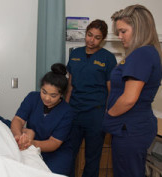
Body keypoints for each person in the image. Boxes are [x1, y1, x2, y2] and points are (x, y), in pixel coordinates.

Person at [103, 4, 162, 177]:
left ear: (139, 29)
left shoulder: (141, 54)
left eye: (123, 31)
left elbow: (129, 99)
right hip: (133, 127)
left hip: (130, 129)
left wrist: (109, 114)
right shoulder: (147, 53)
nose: (120, 37)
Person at [65, 19, 117, 177]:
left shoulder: (108, 58)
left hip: (96, 114)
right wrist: (65, 109)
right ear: (85, 33)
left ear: (103, 39)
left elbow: (111, 89)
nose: (91, 40)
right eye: (89, 35)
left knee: (92, 157)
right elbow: (70, 85)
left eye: (97, 37)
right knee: (68, 154)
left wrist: (108, 115)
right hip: (74, 111)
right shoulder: (75, 54)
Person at [10, 63, 75, 175]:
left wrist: (31, 143)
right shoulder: (32, 98)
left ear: (61, 95)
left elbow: (54, 143)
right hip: (30, 146)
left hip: (56, 153)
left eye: (53, 95)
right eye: (44, 92)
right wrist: (18, 137)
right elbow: (18, 120)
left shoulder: (67, 112)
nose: (47, 98)